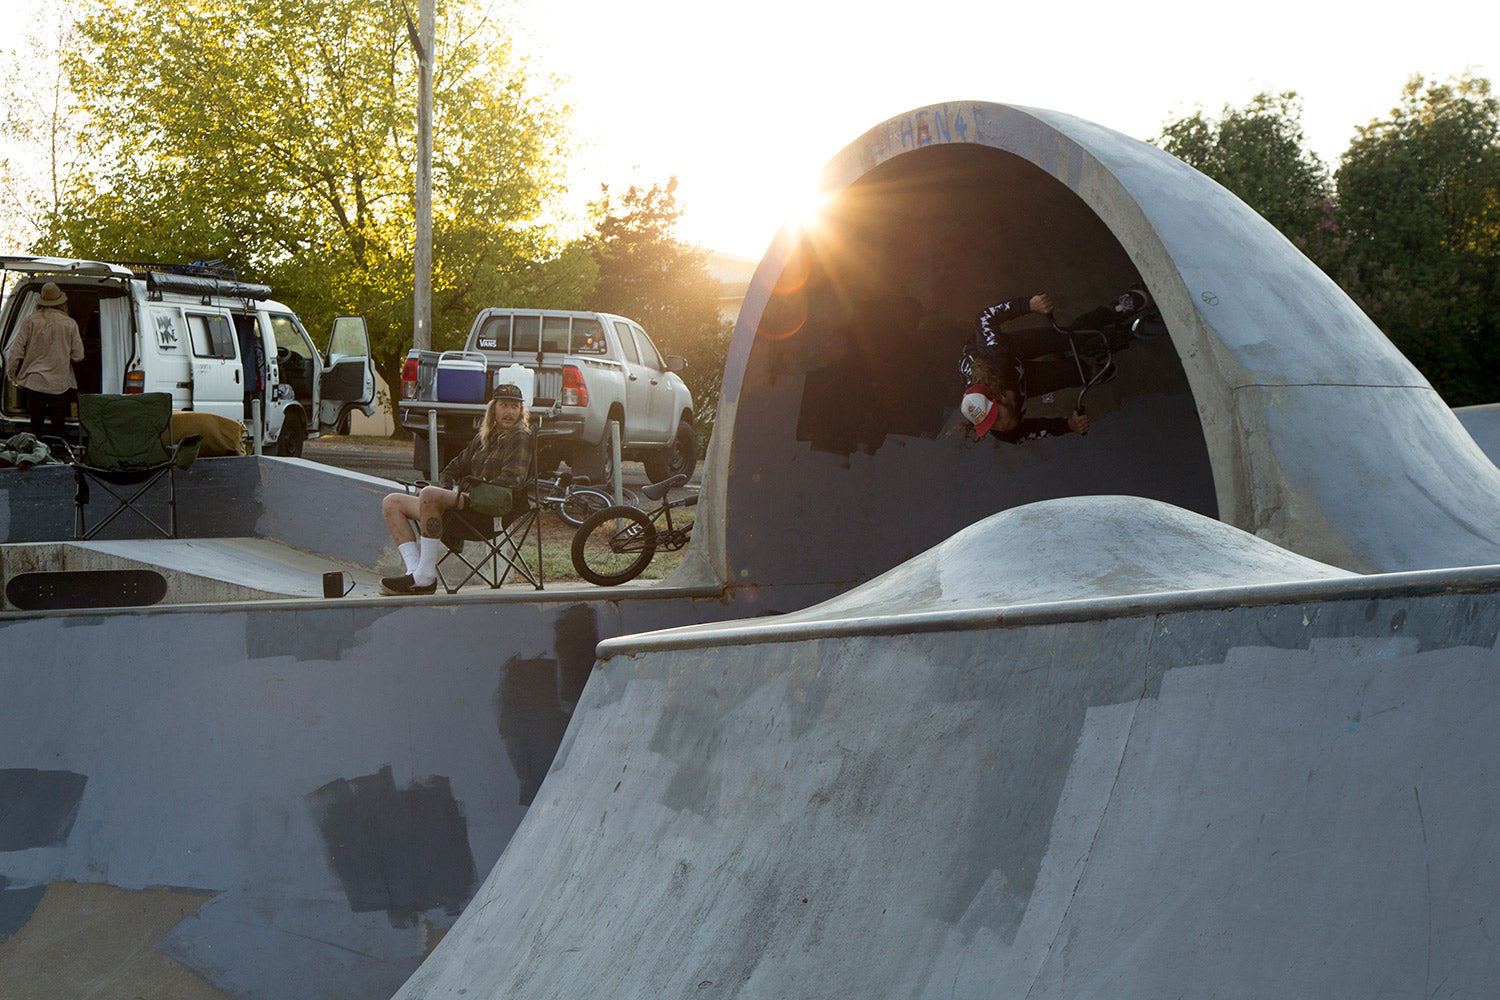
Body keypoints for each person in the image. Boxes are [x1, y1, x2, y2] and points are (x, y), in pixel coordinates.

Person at [379, 381, 532, 595]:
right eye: (504, 405)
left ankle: (424, 578)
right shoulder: (482, 439)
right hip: (466, 507)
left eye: (515, 406)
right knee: (392, 502)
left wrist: (466, 495)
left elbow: (512, 480)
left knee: (430, 495)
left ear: (520, 410)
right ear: (493, 409)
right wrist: (449, 491)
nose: (509, 412)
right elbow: (451, 469)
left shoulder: (520, 437)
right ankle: (415, 572)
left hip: (491, 511)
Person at [958, 292, 1090, 442]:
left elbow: (984, 318)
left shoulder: (995, 357)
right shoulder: (1002, 431)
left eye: (997, 418)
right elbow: (1027, 431)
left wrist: (1028, 305)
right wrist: (1069, 426)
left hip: (1006, 355)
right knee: (1080, 373)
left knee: (1071, 337)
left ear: (999, 397)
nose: (1000, 426)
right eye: (990, 425)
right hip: (1017, 379)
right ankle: (1065, 361)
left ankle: (1115, 310)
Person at [4, 282, 84, 440]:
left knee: (35, 427)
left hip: (34, 382)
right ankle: (58, 457)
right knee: (58, 427)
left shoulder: (30, 321)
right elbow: (78, 356)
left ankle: (35, 456)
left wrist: (11, 375)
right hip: (59, 384)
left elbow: (15, 351)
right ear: (61, 302)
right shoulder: (69, 324)